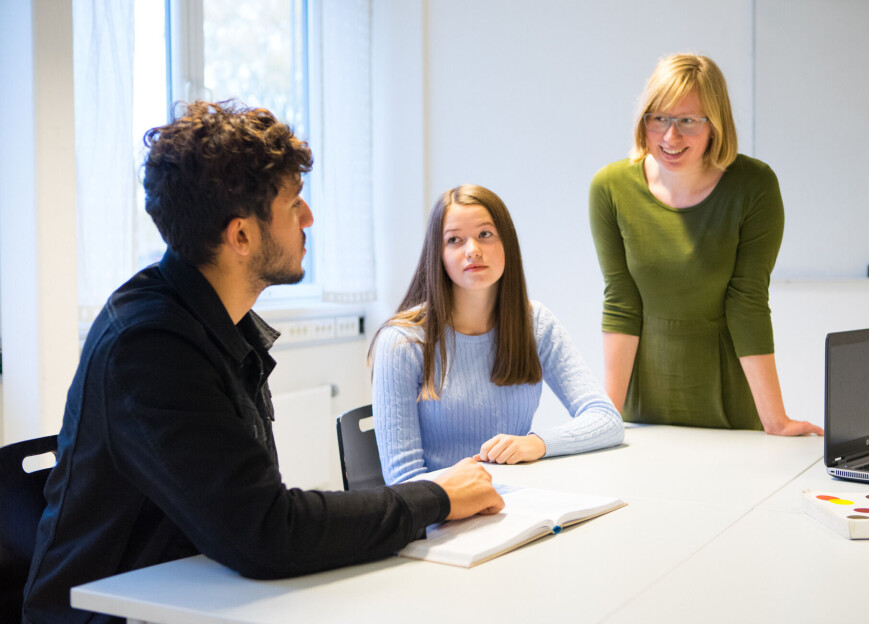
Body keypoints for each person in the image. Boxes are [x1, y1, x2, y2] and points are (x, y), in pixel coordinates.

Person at [22, 101, 503, 624]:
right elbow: (266, 532)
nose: (309, 219)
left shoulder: (221, 323)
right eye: (295, 204)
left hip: (205, 597)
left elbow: (257, 521)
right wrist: (435, 496)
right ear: (242, 236)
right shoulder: (148, 346)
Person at [588, 53, 822, 436]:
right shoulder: (610, 187)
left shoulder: (754, 185)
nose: (670, 137)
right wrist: (605, 420)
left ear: (716, 124)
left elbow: (747, 301)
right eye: (658, 118)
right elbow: (621, 300)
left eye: (688, 121)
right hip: (643, 401)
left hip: (727, 402)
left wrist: (776, 420)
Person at [370, 184, 624, 485]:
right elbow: (404, 482)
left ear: (507, 244)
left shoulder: (535, 323)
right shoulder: (402, 342)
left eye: (485, 235)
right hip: (443, 518)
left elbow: (607, 420)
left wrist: (536, 443)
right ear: (438, 255)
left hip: (519, 506)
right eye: (454, 240)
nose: (473, 250)